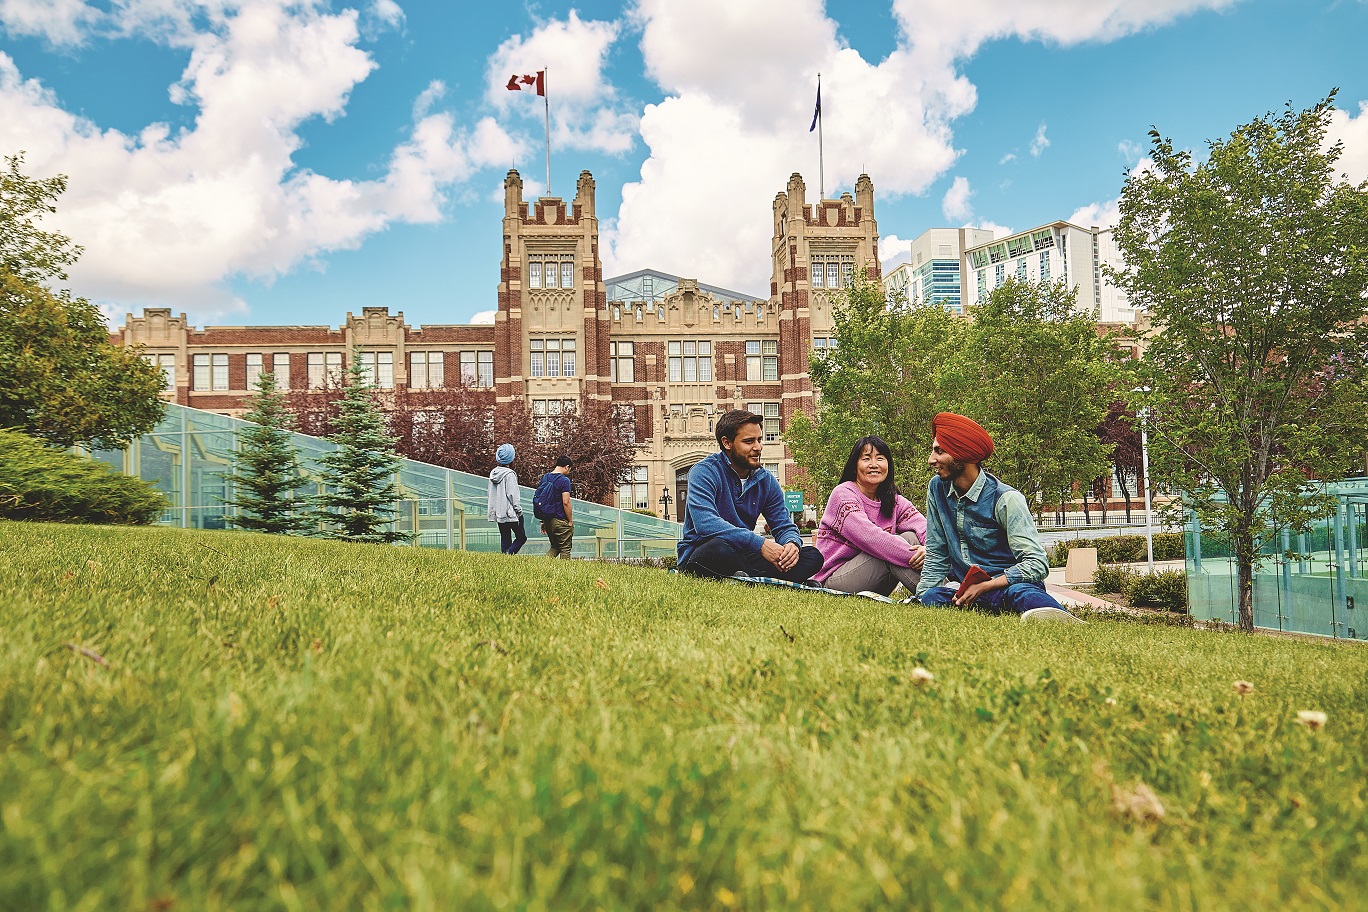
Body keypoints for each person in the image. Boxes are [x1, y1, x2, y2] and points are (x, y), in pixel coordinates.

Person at [915, 412, 1082, 622]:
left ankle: (1062, 619)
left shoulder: (1006, 499)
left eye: (939, 451)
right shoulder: (937, 488)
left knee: (1023, 594)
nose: (931, 460)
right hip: (968, 593)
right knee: (932, 596)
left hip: (1008, 588)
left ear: (963, 454)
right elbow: (937, 552)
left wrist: (986, 585)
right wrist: (922, 598)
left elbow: (1037, 564)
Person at [677, 409, 824, 582]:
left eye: (759, 440)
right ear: (727, 443)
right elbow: (706, 524)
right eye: (749, 441)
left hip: (745, 555)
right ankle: (765, 578)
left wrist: (791, 545)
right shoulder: (704, 472)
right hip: (705, 552)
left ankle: (744, 577)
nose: (758, 447)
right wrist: (760, 544)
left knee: (812, 556)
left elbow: (784, 526)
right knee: (719, 549)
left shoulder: (766, 480)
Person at [813, 436, 927, 595]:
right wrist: (928, 560)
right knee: (891, 548)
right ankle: (943, 595)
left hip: (872, 577)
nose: (874, 465)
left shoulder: (892, 500)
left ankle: (949, 591)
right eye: (866, 459)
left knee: (912, 538)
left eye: (880, 458)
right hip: (834, 580)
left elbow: (923, 527)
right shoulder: (843, 495)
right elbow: (872, 538)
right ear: (854, 466)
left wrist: (930, 551)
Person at [486, 443, 526, 555]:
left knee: (505, 538)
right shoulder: (510, 475)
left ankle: (505, 557)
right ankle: (509, 555)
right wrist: (519, 511)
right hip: (511, 514)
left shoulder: (493, 473)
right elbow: (513, 496)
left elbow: (490, 493)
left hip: (499, 513)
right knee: (521, 537)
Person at [535, 455, 574, 558]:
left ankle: (542, 568)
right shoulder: (564, 480)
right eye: (569, 469)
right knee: (565, 549)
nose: (569, 472)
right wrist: (570, 521)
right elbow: (566, 502)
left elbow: (543, 501)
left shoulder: (545, 477)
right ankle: (565, 573)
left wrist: (543, 521)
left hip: (548, 520)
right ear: (566, 467)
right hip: (560, 520)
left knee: (555, 547)